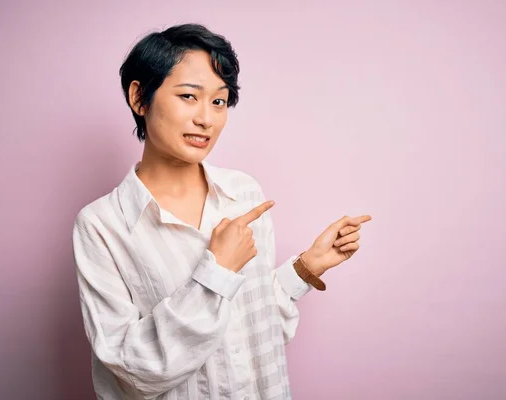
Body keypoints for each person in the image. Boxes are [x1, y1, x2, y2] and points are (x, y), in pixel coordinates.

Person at [72, 23, 372, 400]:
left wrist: (307, 268)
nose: (207, 119)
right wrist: (217, 272)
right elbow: (133, 371)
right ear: (139, 98)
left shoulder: (244, 194)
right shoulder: (102, 226)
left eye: (218, 101)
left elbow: (254, 333)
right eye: (188, 96)